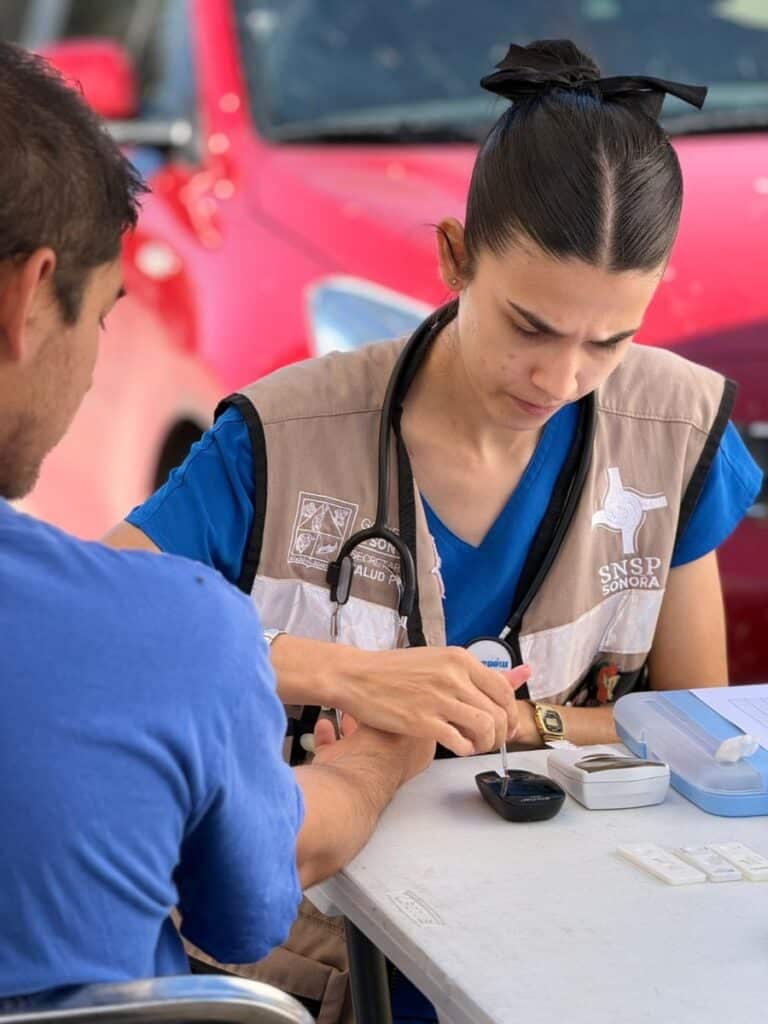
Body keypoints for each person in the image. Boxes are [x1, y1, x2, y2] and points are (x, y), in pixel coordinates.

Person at [105, 38, 763, 1021]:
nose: (562, 379)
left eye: (609, 341)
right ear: (455, 257)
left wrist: (520, 721)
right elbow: (96, 626)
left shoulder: (674, 432)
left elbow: (704, 737)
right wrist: (335, 671)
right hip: (315, 959)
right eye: (530, 326)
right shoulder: (279, 440)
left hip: (578, 948)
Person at [0, 40, 433, 1011]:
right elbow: (246, 912)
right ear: (27, 299)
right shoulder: (172, 631)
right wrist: (373, 761)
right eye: (103, 317)